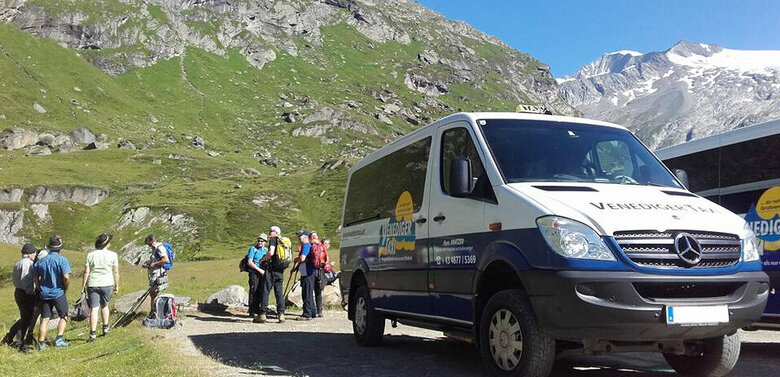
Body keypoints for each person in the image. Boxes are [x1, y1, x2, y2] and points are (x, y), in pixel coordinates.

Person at [81, 233, 119, 342]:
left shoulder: (90, 255)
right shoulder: (113, 255)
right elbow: (116, 272)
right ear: (107, 244)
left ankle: (93, 334)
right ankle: (105, 328)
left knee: (94, 308)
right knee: (105, 305)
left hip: (93, 283)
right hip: (107, 283)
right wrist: (117, 285)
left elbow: (86, 272)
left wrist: (83, 286)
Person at [35, 236, 71, 350]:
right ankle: (59, 339)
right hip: (58, 292)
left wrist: (39, 287)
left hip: (44, 293)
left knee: (45, 318)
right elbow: (66, 277)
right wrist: (66, 287)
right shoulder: (62, 260)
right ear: (60, 248)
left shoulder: (41, 261)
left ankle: (41, 343)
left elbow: (35, 277)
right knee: (63, 315)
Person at [2, 244, 39, 351]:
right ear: (30, 254)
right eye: (34, 253)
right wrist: (31, 293)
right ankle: (19, 342)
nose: (35, 255)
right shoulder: (27, 264)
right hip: (26, 293)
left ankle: (9, 338)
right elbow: (26, 280)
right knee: (27, 318)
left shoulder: (19, 262)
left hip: (19, 291)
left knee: (25, 317)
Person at [260, 226, 287, 323]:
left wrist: (262, 260)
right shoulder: (283, 241)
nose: (269, 233)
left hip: (271, 269)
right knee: (279, 292)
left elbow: (270, 253)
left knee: (266, 290)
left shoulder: (273, 240)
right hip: (280, 270)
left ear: (275, 232)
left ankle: (263, 314)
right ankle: (281, 315)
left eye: (270, 231)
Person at [143, 234, 170, 316]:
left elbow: (166, 260)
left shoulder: (159, 248)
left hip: (157, 274)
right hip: (155, 273)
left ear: (151, 241)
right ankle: (154, 311)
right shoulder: (155, 249)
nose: (148, 245)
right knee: (153, 294)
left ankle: (154, 312)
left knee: (153, 293)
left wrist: (154, 264)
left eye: (148, 243)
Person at [293, 230, 316, 320]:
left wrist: (296, 259)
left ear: (306, 237)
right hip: (308, 272)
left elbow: (302, 258)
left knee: (306, 293)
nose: (299, 238)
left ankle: (307, 314)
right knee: (309, 292)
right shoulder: (307, 246)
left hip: (307, 273)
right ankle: (313, 312)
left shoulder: (306, 246)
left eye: (300, 236)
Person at [246, 234, 267, 322]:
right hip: (254, 272)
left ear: (265, 242)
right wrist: (259, 270)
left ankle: (259, 309)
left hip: (263, 273)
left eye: (262, 241)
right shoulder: (253, 249)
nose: (260, 242)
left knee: (261, 291)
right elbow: (249, 262)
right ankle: (253, 310)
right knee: (254, 290)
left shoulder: (266, 250)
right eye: (258, 240)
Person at [309, 231, 326, 318]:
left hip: (312, 271)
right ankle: (320, 311)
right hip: (320, 270)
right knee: (318, 291)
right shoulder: (321, 245)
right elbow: (326, 259)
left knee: (310, 291)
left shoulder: (310, 245)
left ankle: (313, 311)